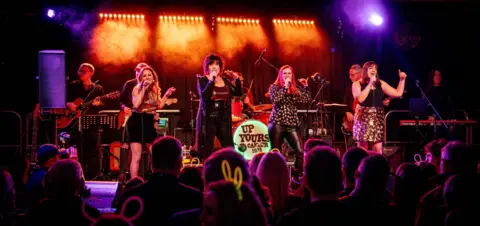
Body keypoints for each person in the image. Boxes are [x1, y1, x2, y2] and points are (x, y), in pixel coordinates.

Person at [127, 66, 176, 178]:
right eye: (144, 75)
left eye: (149, 75)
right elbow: (136, 105)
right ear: (141, 78)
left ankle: (157, 178)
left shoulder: (155, 89)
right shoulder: (137, 89)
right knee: (137, 156)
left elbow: (158, 106)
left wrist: (167, 95)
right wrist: (144, 89)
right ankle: (134, 181)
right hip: (137, 121)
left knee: (154, 154)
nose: (147, 77)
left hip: (149, 121)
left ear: (153, 77)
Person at [352, 61, 406, 154]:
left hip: (377, 117)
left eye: (375, 68)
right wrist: (370, 84)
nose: (373, 70)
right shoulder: (357, 84)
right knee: (362, 148)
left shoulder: (380, 83)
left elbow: (398, 93)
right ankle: (361, 167)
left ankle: (377, 166)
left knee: (378, 149)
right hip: (363, 117)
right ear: (365, 71)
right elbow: (360, 99)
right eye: (371, 68)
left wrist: (402, 80)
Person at [195, 53, 242, 160]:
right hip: (209, 118)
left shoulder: (225, 81)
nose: (214, 66)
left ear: (220, 67)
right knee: (207, 148)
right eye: (211, 64)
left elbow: (238, 93)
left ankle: (231, 171)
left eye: (217, 64)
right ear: (207, 67)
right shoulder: (203, 80)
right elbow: (204, 96)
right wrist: (211, 81)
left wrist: (237, 80)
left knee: (229, 148)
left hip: (224, 118)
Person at [268, 65, 311, 172]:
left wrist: (306, 86)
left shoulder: (294, 89)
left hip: (291, 125)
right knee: (275, 153)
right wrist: (285, 88)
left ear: (292, 75)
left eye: (289, 73)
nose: (287, 75)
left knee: (300, 152)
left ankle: (297, 177)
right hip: (277, 123)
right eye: (285, 73)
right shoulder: (274, 87)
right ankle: (275, 177)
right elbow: (276, 100)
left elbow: (307, 99)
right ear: (281, 75)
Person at [65, 63, 104, 179]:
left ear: (91, 73)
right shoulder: (72, 86)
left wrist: (99, 104)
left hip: (91, 123)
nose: (80, 73)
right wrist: (67, 103)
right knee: (74, 147)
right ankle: (74, 173)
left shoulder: (97, 88)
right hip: (73, 122)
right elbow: (61, 99)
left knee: (92, 148)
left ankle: (91, 175)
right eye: (79, 70)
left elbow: (103, 105)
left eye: (83, 71)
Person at [118, 62, 149, 181]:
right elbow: (121, 101)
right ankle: (123, 173)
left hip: (144, 118)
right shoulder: (130, 84)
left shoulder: (150, 85)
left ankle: (144, 174)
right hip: (131, 117)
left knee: (145, 146)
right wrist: (124, 108)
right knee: (126, 144)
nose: (138, 73)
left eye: (140, 71)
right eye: (137, 71)